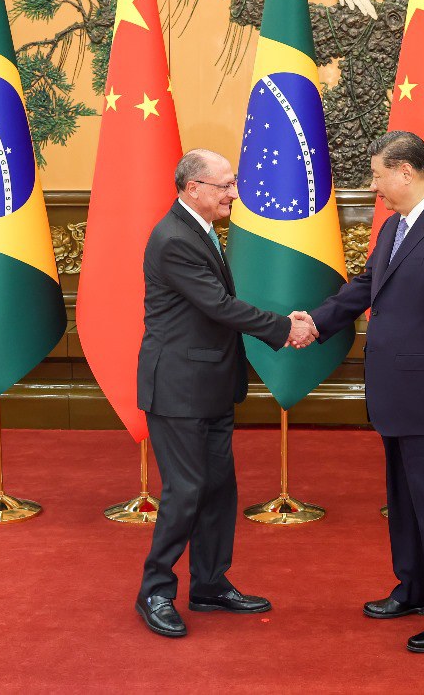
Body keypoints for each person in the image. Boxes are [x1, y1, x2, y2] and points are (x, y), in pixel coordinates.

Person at [304, 131, 424, 654]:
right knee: (404, 503)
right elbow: (365, 289)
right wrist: (314, 322)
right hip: (395, 396)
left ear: (406, 172)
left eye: (380, 174)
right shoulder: (393, 229)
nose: (375, 185)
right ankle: (415, 589)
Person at [134, 149, 316, 639]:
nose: (233, 194)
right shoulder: (173, 238)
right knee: (187, 491)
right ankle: (155, 590)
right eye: (225, 186)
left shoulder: (200, 231)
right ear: (193, 188)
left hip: (209, 385)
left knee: (218, 490)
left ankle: (210, 583)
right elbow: (218, 306)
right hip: (178, 389)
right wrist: (285, 328)